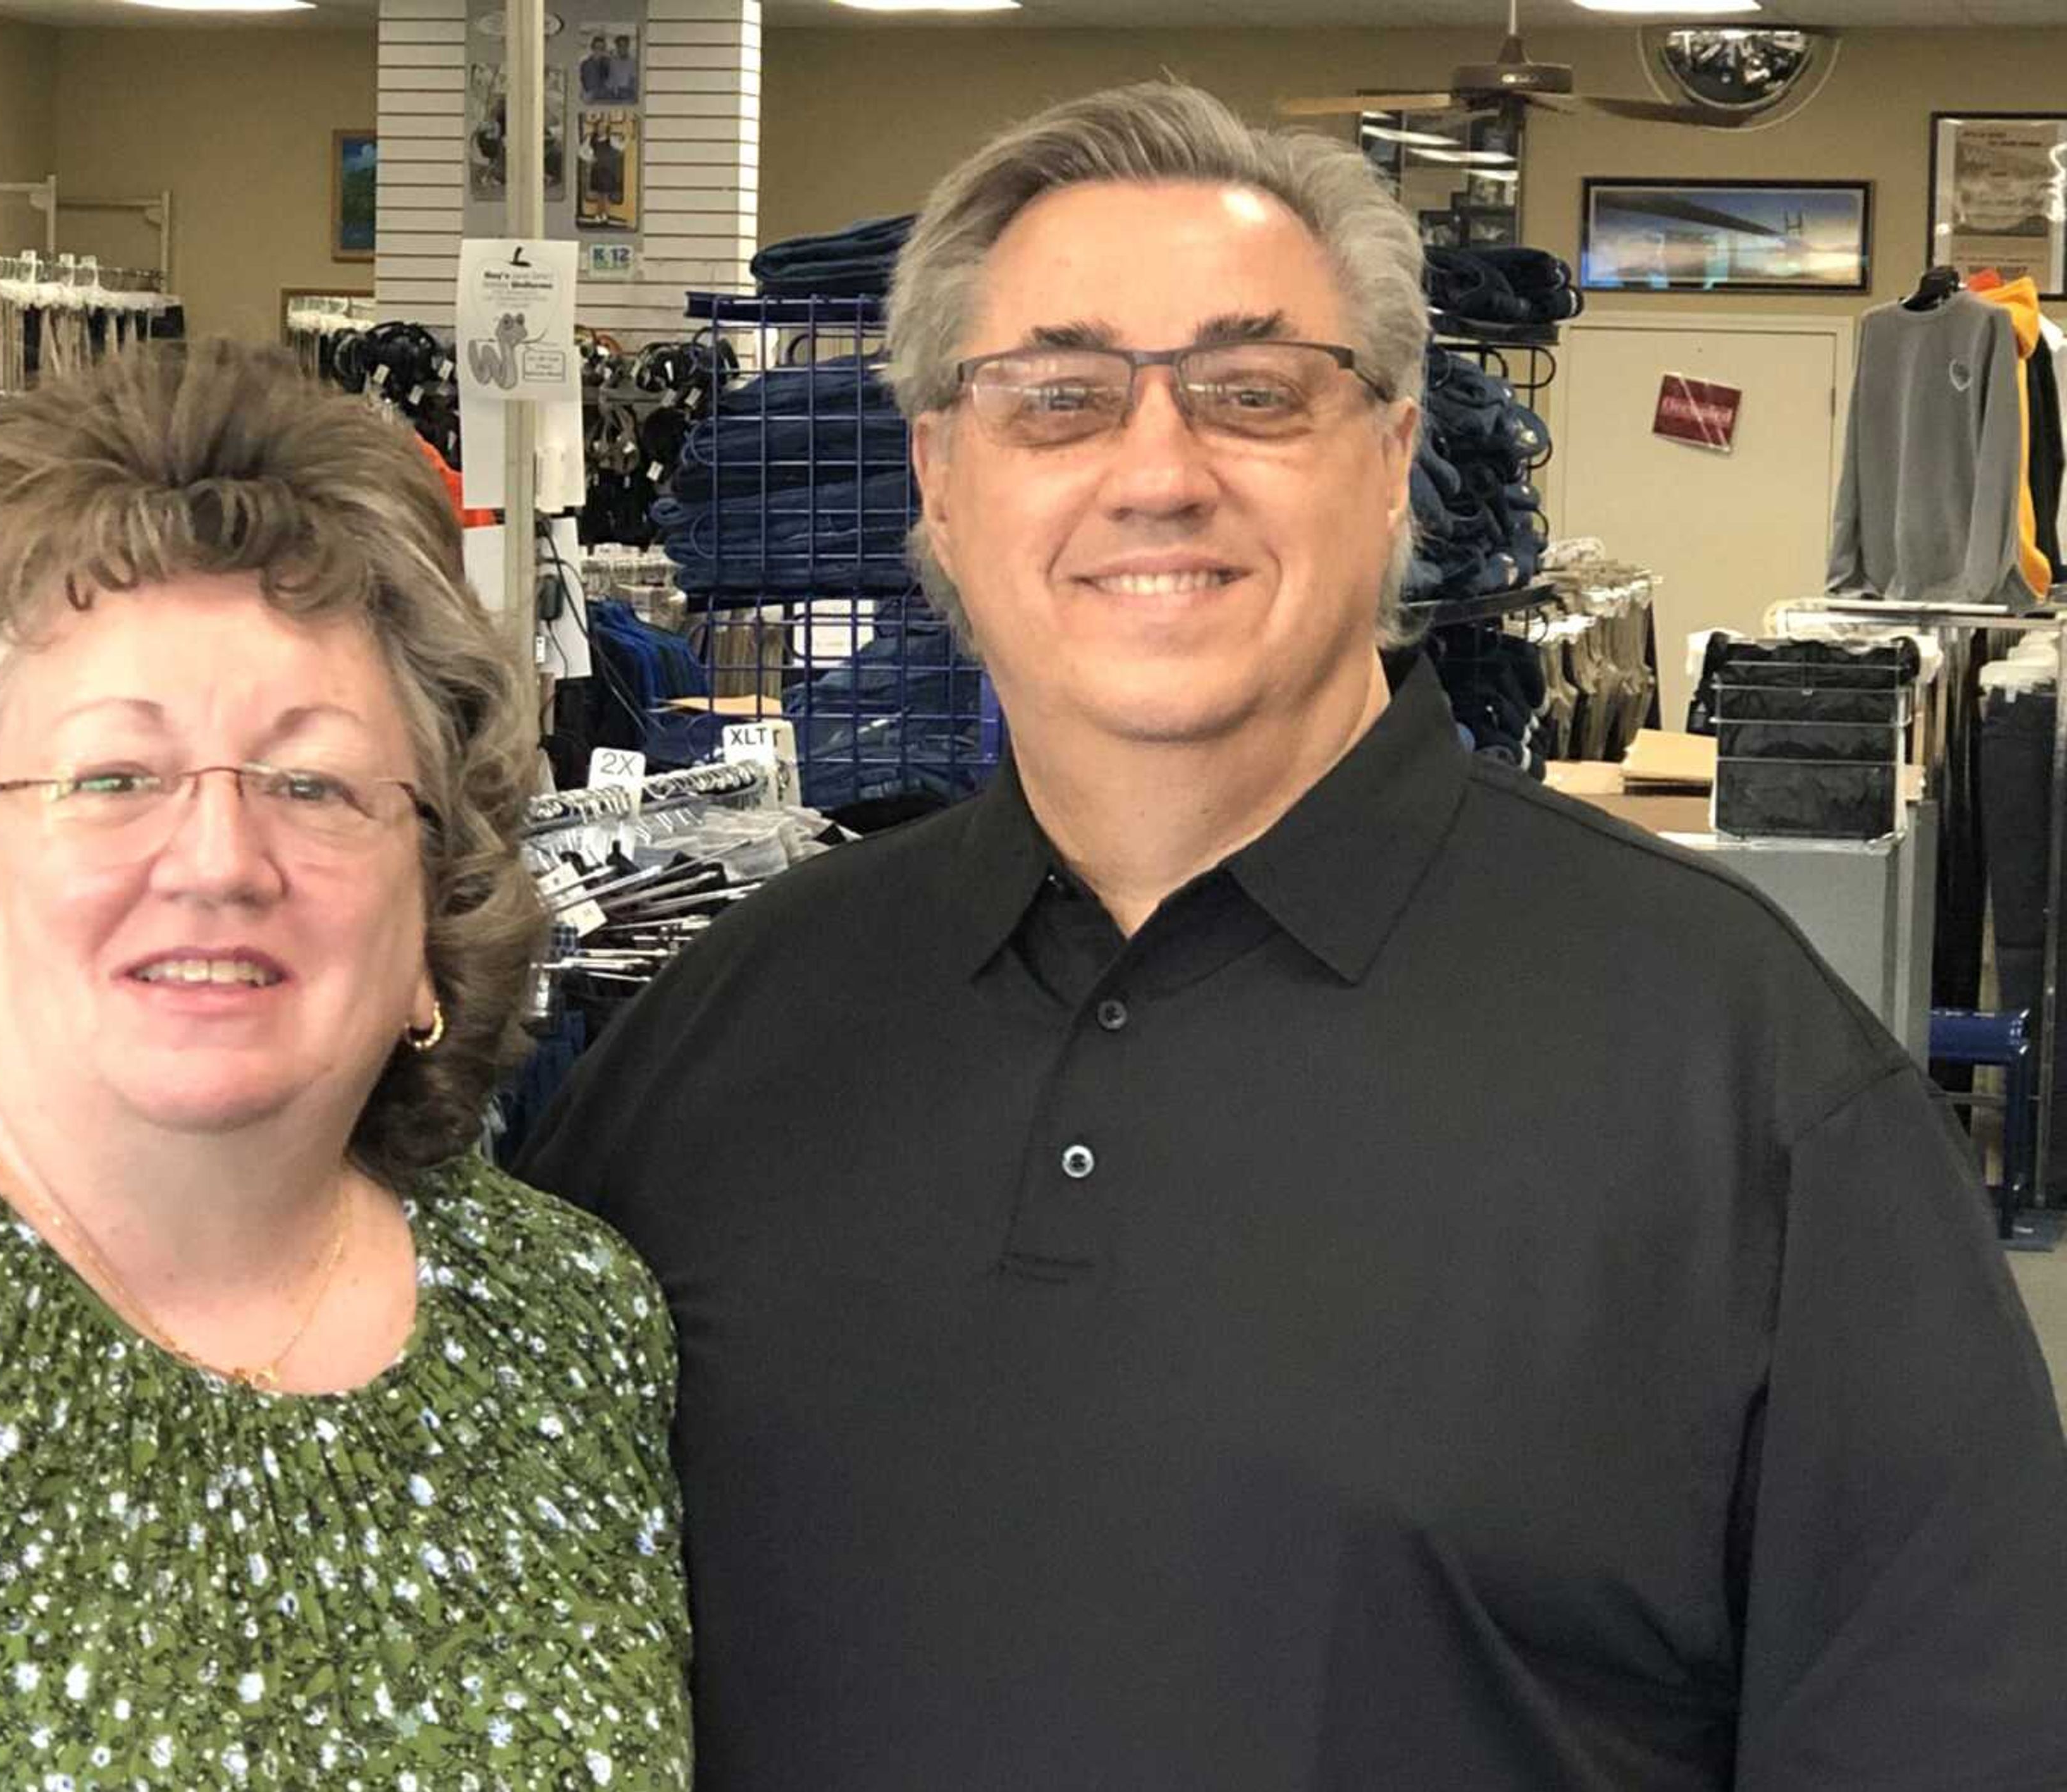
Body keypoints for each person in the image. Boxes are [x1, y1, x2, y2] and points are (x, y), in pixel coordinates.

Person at [517, 81, 2067, 1790]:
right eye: (1060, 400)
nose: (1159, 472)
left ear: (1395, 461)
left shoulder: (1743, 1079)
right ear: (944, 482)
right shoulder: (726, 1040)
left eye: (1253, 393)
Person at [0, 343, 692, 1786]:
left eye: (312, 782)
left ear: (434, 896)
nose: (216, 860)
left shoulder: (575, 1327)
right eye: (111, 778)